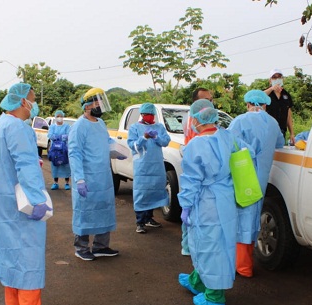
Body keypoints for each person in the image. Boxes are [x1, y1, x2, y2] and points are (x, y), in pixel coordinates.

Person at [0, 82, 62, 305]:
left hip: (2, 200)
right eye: (33, 99)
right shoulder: (18, 128)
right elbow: (24, 165)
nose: (34, 104)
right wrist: (37, 200)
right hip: (20, 203)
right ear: (23, 102)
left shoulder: (0, 124)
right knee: (28, 254)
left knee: (11, 253)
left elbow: (10, 161)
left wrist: (33, 162)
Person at [177, 99, 243, 305]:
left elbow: (191, 180)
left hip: (206, 202)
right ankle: (198, 281)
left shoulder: (196, 144)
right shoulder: (227, 136)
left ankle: (215, 297)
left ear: (196, 118)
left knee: (209, 247)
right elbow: (244, 155)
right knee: (220, 243)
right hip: (225, 198)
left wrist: (185, 206)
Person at [228, 90, 283, 278]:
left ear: (247, 104)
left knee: (240, 219)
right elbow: (280, 143)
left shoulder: (239, 121)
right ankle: (246, 264)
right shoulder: (273, 123)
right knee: (253, 219)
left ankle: (242, 266)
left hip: (243, 177)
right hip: (260, 180)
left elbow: (228, 144)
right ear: (266, 105)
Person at [68, 87, 123, 261]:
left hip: (103, 177)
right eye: (97, 102)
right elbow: (75, 153)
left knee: (104, 210)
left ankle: (101, 246)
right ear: (87, 105)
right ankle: (81, 247)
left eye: (101, 102)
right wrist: (80, 179)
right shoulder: (79, 126)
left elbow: (106, 141)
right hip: (87, 177)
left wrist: (117, 149)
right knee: (84, 211)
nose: (100, 105)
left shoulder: (100, 123)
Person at [127, 102, 171, 234]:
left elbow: (166, 141)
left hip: (156, 165)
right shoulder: (134, 128)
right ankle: (140, 222)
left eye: (151, 114)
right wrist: (144, 138)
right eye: (147, 114)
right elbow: (133, 145)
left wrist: (156, 137)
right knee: (142, 193)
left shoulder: (159, 127)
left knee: (154, 191)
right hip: (142, 166)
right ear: (141, 115)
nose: (149, 117)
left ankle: (149, 218)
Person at [181, 87, 214, 256]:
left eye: (210, 100)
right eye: (205, 100)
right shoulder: (193, 122)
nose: (209, 103)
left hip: (208, 187)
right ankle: (189, 247)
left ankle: (192, 249)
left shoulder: (219, 135)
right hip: (197, 175)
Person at [264, 68, 295, 144]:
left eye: (279, 77)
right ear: (270, 80)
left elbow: (289, 115)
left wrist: (292, 133)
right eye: (274, 77)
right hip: (268, 130)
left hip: (281, 130)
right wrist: (271, 88)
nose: (277, 79)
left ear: (282, 79)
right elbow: (258, 96)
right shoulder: (267, 93)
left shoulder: (286, 95)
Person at [47, 110, 71, 190]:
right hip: (55, 150)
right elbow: (50, 135)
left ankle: (67, 183)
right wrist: (58, 137)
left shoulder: (67, 126)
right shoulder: (52, 127)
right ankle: (55, 183)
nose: (59, 118)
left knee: (65, 165)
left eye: (61, 116)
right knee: (55, 165)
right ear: (55, 117)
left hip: (64, 149)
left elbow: (68, 135)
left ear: (63, 117)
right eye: (58, 116)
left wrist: (59, 137)